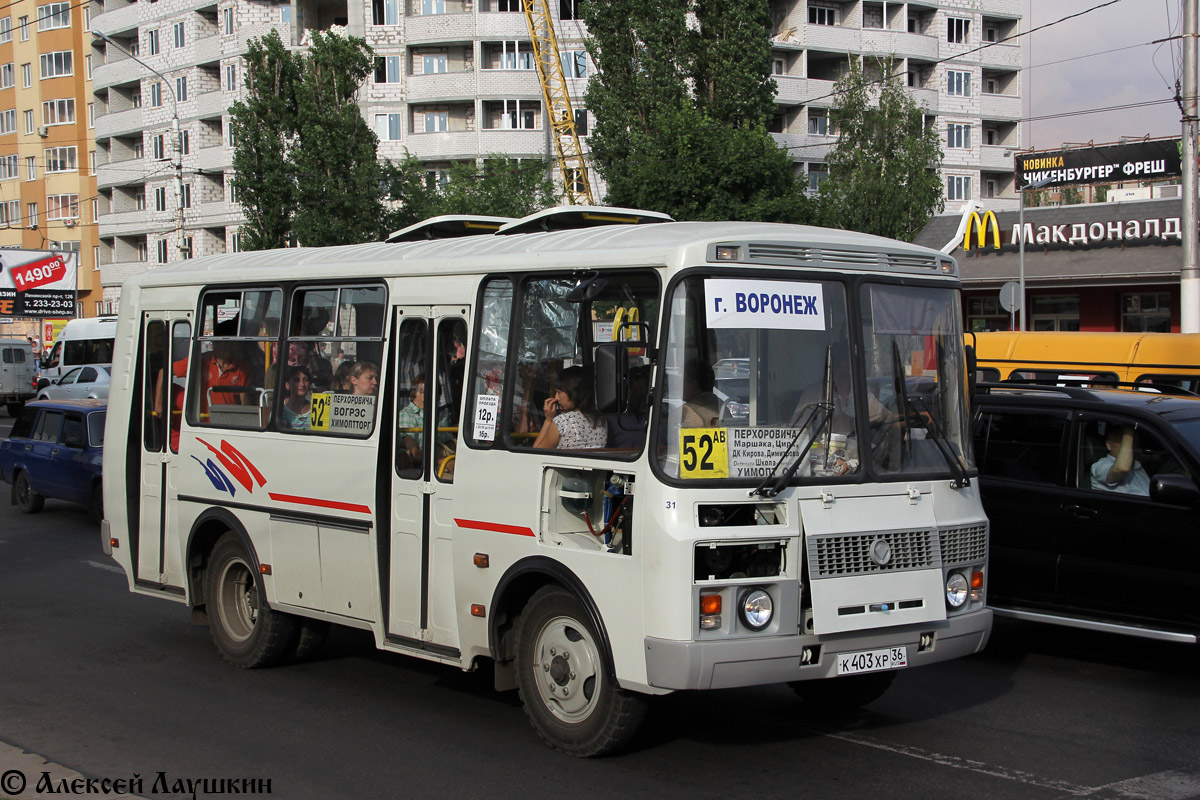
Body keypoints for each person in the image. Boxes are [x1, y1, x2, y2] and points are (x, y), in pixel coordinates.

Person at [534, 366, 607, 449]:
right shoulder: (600, 420)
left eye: (559, 392)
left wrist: (548, 420)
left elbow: (536, 453)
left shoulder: (562, 422)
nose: (556, 398)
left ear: (573, 393)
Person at [1090, 425, 1150, 495]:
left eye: (1133, 442)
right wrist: (1128, 432)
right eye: (1125, 443)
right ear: (1109, 445)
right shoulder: (1100, 466)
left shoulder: (1137, 465)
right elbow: (1122, 468)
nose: (1130, 447)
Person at [680, 360, 722, 429]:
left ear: (694, 384)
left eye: (683, 381)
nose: (680, 386)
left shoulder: (686, 411)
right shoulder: (722, 407)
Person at [279, 365, 312, 431]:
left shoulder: (316, 408)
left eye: (306, 380)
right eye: (296, 380)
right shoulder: (280, 408)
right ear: (287, 385)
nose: (302, 384)